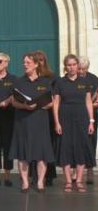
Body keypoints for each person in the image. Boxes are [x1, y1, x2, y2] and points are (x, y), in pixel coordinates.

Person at [9, 53, 55, 193]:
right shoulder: (19, 82)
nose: (25, 65)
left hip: (40, 121)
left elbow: (52, 101)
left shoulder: (44, 82)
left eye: (28, 62)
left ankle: (40, 182)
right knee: (23, 153)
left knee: (41, 153)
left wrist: (42, 105)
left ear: (36, 64)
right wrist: (25, 106)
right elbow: (13, 101)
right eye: (24, 62)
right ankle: (25, 182)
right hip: (23, 121)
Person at [53, 54, 95, 193]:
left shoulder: (85, 82)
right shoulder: (59, 82)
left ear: (78, 66)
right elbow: (56, 103)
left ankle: (79, 181)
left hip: (82, 118)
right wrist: (57, 122)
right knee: (65, 147)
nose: (71, 67)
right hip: (65, 117)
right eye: (69, 65)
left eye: (74, 64)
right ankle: (68, 181)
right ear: (65, 67)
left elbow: (88, 102)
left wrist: (91, 121)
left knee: (81, 147)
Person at [0, 53, 17, 186]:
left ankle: (7, 177)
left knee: (7, 146)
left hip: (8, 117)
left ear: (7, 63)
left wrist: (8, 101)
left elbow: (16, 95)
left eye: (0, 62)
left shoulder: (13, 79)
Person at [33, 50, 57, 185]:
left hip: (47, 116)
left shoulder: (52, 77)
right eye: (36, 61)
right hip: (32, 115)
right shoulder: (30, 77)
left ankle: (48, 176)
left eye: (41, 60)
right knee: (33, 145)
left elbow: (56, 97)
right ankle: (34, 176)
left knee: (47, 146)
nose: (39, 63)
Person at [78, 56, 98, 184]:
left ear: (87, 68)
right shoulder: (71, 78)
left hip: (92, 115)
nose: (80, 71)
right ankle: (75, 171)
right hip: (75, 114)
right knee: (76, 142)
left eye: (83, 69)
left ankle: (90, 171)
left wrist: (92, 105)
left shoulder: (94, 79)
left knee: (91, 142)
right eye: (79, 68)